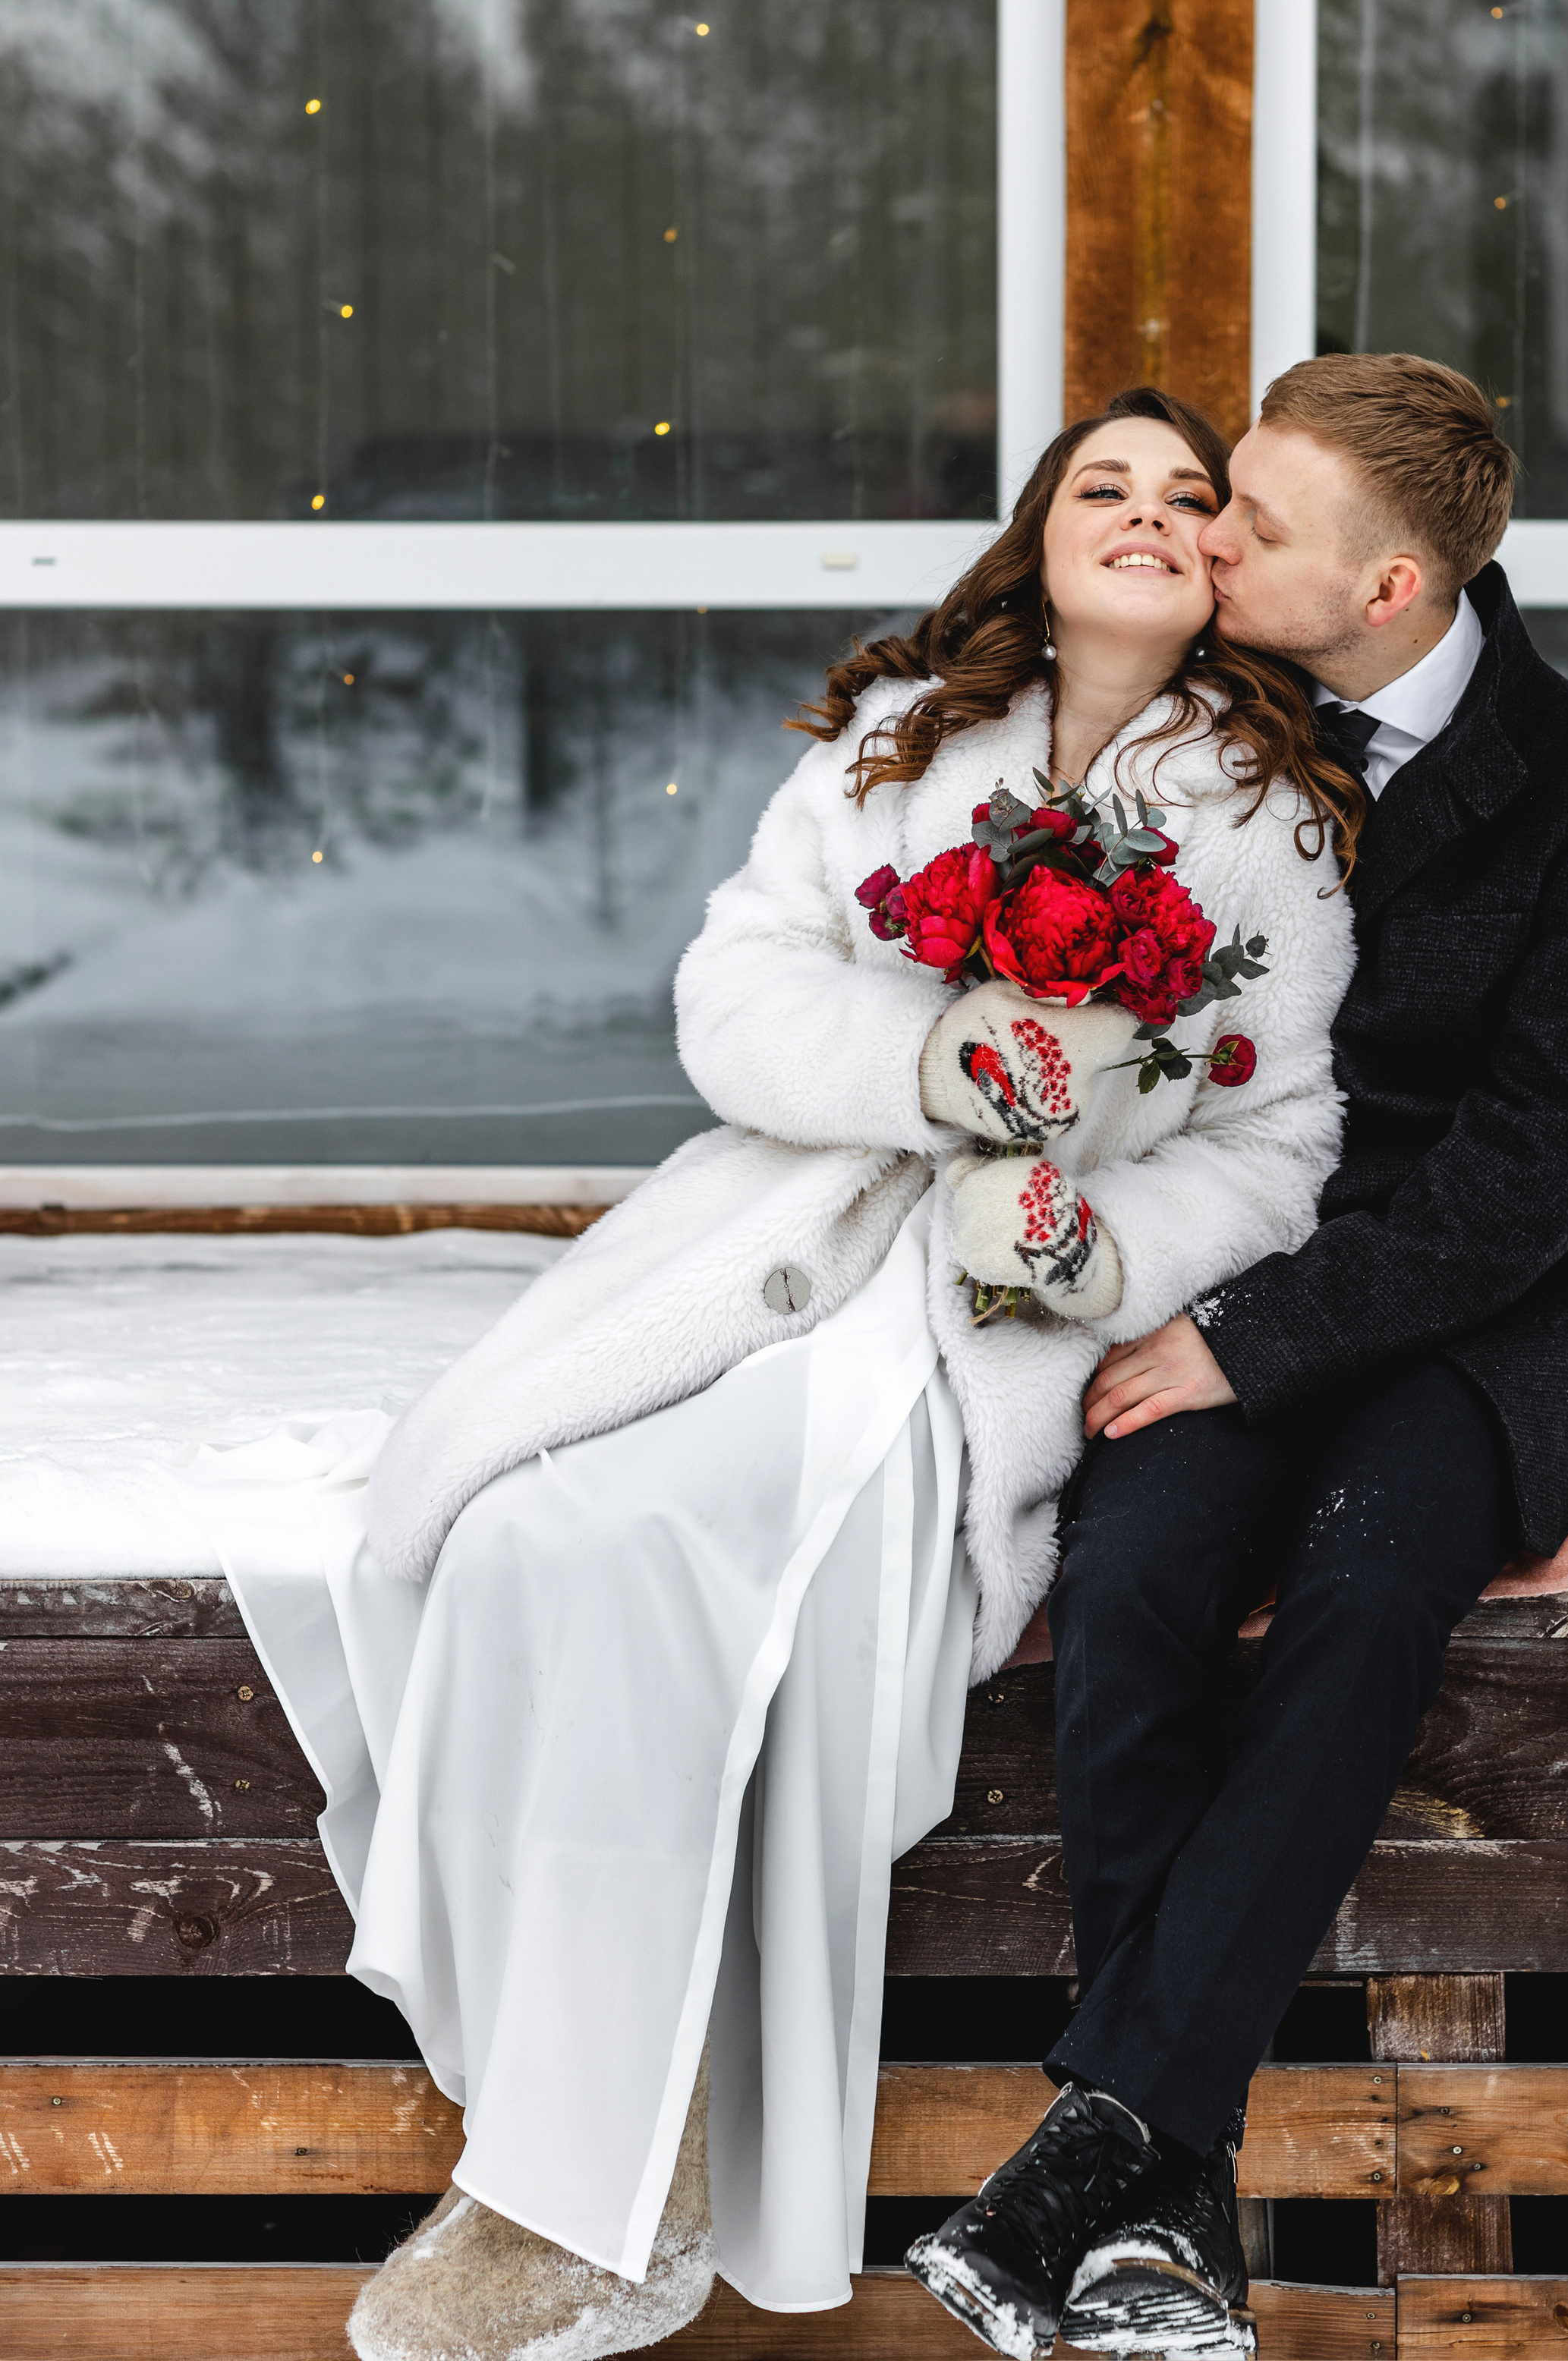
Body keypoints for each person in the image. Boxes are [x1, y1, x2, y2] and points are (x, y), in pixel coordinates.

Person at [197, 389, 1357, 2361]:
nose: (1151, 516)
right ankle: (585, 2143)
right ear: (1041, 528)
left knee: (655, 1557)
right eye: (1109, 484)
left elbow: (1283, 1140)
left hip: (976, 1325)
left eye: (1190, 496)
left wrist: (1091, 1230)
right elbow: (734, 991)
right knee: (514, 1532)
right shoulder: (899, 749)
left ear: (1235, 561)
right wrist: (931, 1060)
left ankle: (572, 2191)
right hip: (769, 1244)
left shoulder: (1272, 826)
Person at [906, 353, 1568, 2361]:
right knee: (1144, 1571)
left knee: (1365, 1579)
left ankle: (1100, 2138)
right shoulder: (1191, 728)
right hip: (1216, 1257)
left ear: (1391, 597)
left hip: (1495, 1308)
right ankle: (1164, 2196)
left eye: (1251, 521)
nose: (1203, 535)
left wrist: (1250, 1344)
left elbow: (1530, 1180)